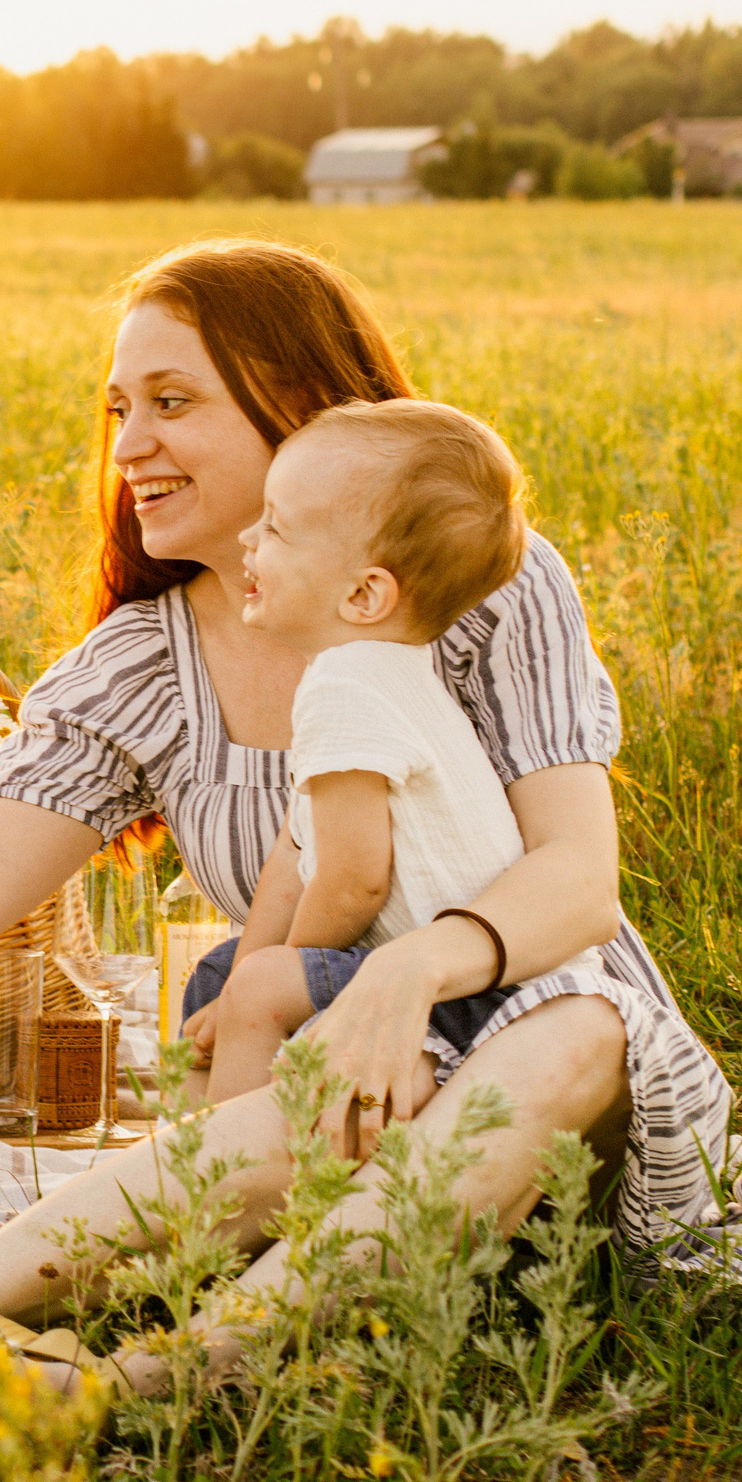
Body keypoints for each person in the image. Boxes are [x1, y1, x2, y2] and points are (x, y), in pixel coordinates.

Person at [0, 236, 742, 1424]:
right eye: (120, 407)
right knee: (299, 1105)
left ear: (300, 407)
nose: (129, 444)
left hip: (570, 1105)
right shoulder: (139, 666)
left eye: (173, 403)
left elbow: (579, 882)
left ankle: (145, 1388)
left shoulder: (476, 585)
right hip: (345, 1119)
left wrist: (408, 969)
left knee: (573, 1027)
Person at [201, 398, 594, 1106]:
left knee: (257, 989)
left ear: (363, 593)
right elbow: (300, 849)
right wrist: (244, 971)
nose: (246, 537)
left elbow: (355, 880)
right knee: (224, 975)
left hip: (470, 995)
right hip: (477, 972)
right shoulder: (389, 669)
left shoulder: (346, 683)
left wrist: (276, 978)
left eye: (276, 528)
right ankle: (212, 1126)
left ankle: (211, 1178)